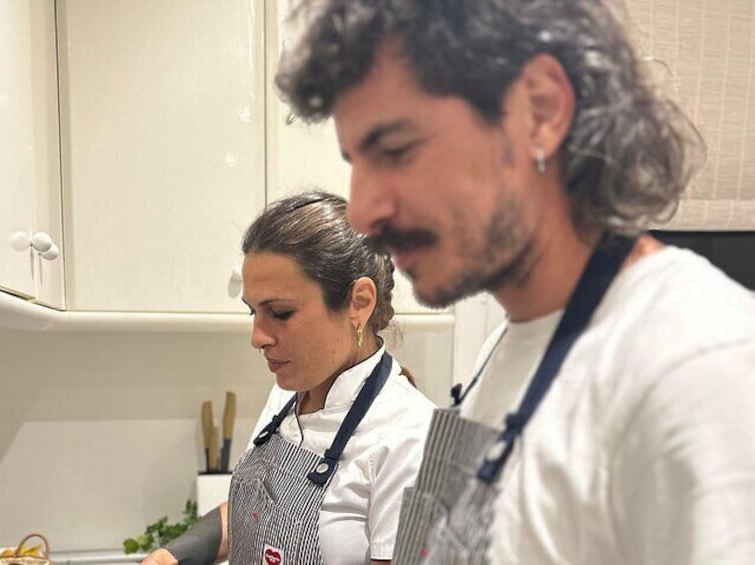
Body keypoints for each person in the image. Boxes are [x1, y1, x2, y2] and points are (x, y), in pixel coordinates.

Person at [274, 1, 755, 564]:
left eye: (397, 150)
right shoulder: (505, 345)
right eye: (356, 161)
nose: (363, 211)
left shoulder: (700, 367)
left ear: (541, 110)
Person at [142, 191, 435, 565]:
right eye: (253, 312)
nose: (258, 337)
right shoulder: (289, 394)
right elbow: (256, 508)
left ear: (359, 302)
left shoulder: (414, 440)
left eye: (279, 312)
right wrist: (172, 556)